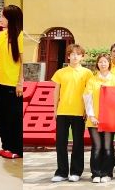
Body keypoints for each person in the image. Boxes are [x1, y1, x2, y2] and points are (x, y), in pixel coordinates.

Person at [50, 43, 90, 182]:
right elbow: (56, 92)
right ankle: (61, 172)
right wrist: (55, 110)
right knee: (61, 142)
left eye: (78, 54)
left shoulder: (87, 73)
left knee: (78, 143)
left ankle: (76, 172)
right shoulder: (60, 72)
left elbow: (89, 94)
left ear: (82, 57)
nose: (75, 57)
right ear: (68, 56)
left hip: (79, 112)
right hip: (62, 111)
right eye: (72, 54)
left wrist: (87, 110)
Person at [0, 3, 22, 159]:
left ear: (11, 18)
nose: (0, 19)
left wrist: (20, 83)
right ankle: (6, 146)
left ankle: (16, 149)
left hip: (12, 85)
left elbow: (23, 62)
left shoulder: (20, 36)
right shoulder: (3, 35)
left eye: (2, 16)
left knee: (12, 119)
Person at [83, 52, 115, 183]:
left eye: (105, 62)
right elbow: (87, 98)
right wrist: (91, 116)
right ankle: (96, 173)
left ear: (109, 64)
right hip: (94, 119)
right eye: (100, 62)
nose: (103, 64)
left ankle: (107, 173)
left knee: (108, 147)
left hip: (109, 119)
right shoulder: (92, 80)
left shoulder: (114, 80)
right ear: (97, 64)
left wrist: (111, 117)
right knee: (97, 147)